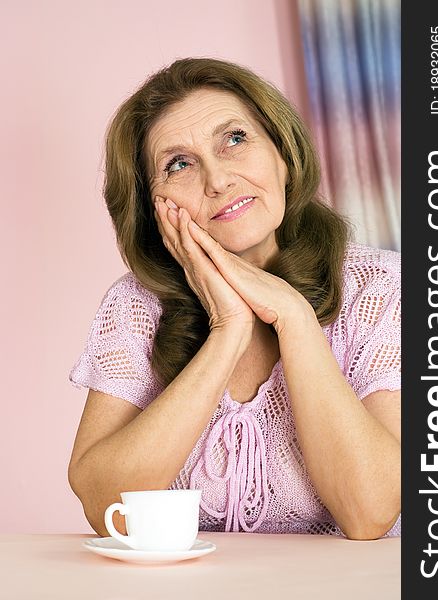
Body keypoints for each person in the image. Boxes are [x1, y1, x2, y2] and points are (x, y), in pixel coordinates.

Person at [68, 57, 401, 540]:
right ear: (151, 205)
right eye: (178, 164)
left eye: (236, 139)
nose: (218, 180)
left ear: (282, 153)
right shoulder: (138, 305)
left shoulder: (380, 286)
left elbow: (371, 512)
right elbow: (105, 506)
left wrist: (293, 317)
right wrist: (228, 328)